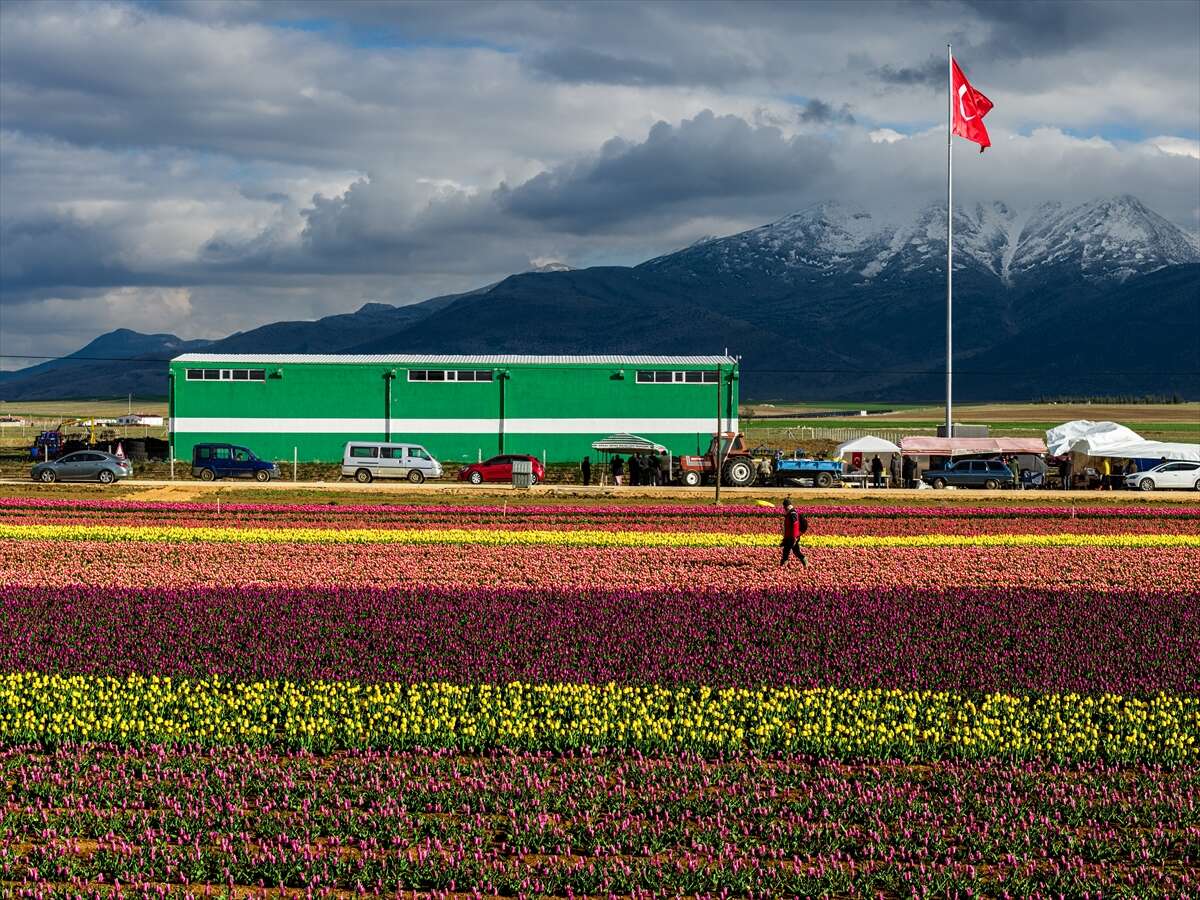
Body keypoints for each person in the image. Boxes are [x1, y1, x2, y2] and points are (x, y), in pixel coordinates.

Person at [779, 498, 809, 567]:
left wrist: (795, 537)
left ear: (786, 506)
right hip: (790, 536)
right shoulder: (790, 513)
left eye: (784, 507)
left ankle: (783, 565)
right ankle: (804, 560)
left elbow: (795, 525)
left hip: (793, 537)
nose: (784, 509)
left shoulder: (793, 513)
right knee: (795, 551)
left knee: (786, 550)